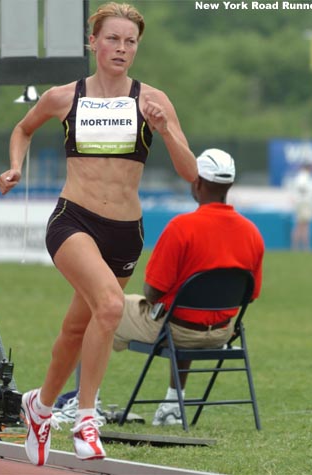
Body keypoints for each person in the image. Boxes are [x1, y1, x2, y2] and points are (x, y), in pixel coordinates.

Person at [0, 2, 197, 465]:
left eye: (130, 42)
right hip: (73, 220)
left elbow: (190, 173)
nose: (121, 48)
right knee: (109, 306)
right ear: (93, 42)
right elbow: (23, 130)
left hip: (125, 233)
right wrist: (13, 167)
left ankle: (40, 406)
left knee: (77, 327)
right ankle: (86, 417)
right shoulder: (65, 96)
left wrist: (166, 131)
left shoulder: (153, 100)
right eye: (113, 39)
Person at [113, 148, 265, 426]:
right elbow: (250, 296)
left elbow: (152, 292)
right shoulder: (252, 232)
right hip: (222, 333)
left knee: (100, 305)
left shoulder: (182, 227)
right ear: (229, 185)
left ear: (197, 183)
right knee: (182, 311)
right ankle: (172, 404)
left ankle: (85, 404)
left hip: (175, 331)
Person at [290, 162, 312, 251]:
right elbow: (302, 189)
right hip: (304, 204)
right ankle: (301, 246)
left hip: (303, 203)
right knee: (302, 225)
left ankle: (300, 246)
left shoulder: (304, 177)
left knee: (302, 225)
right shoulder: (303, 177)